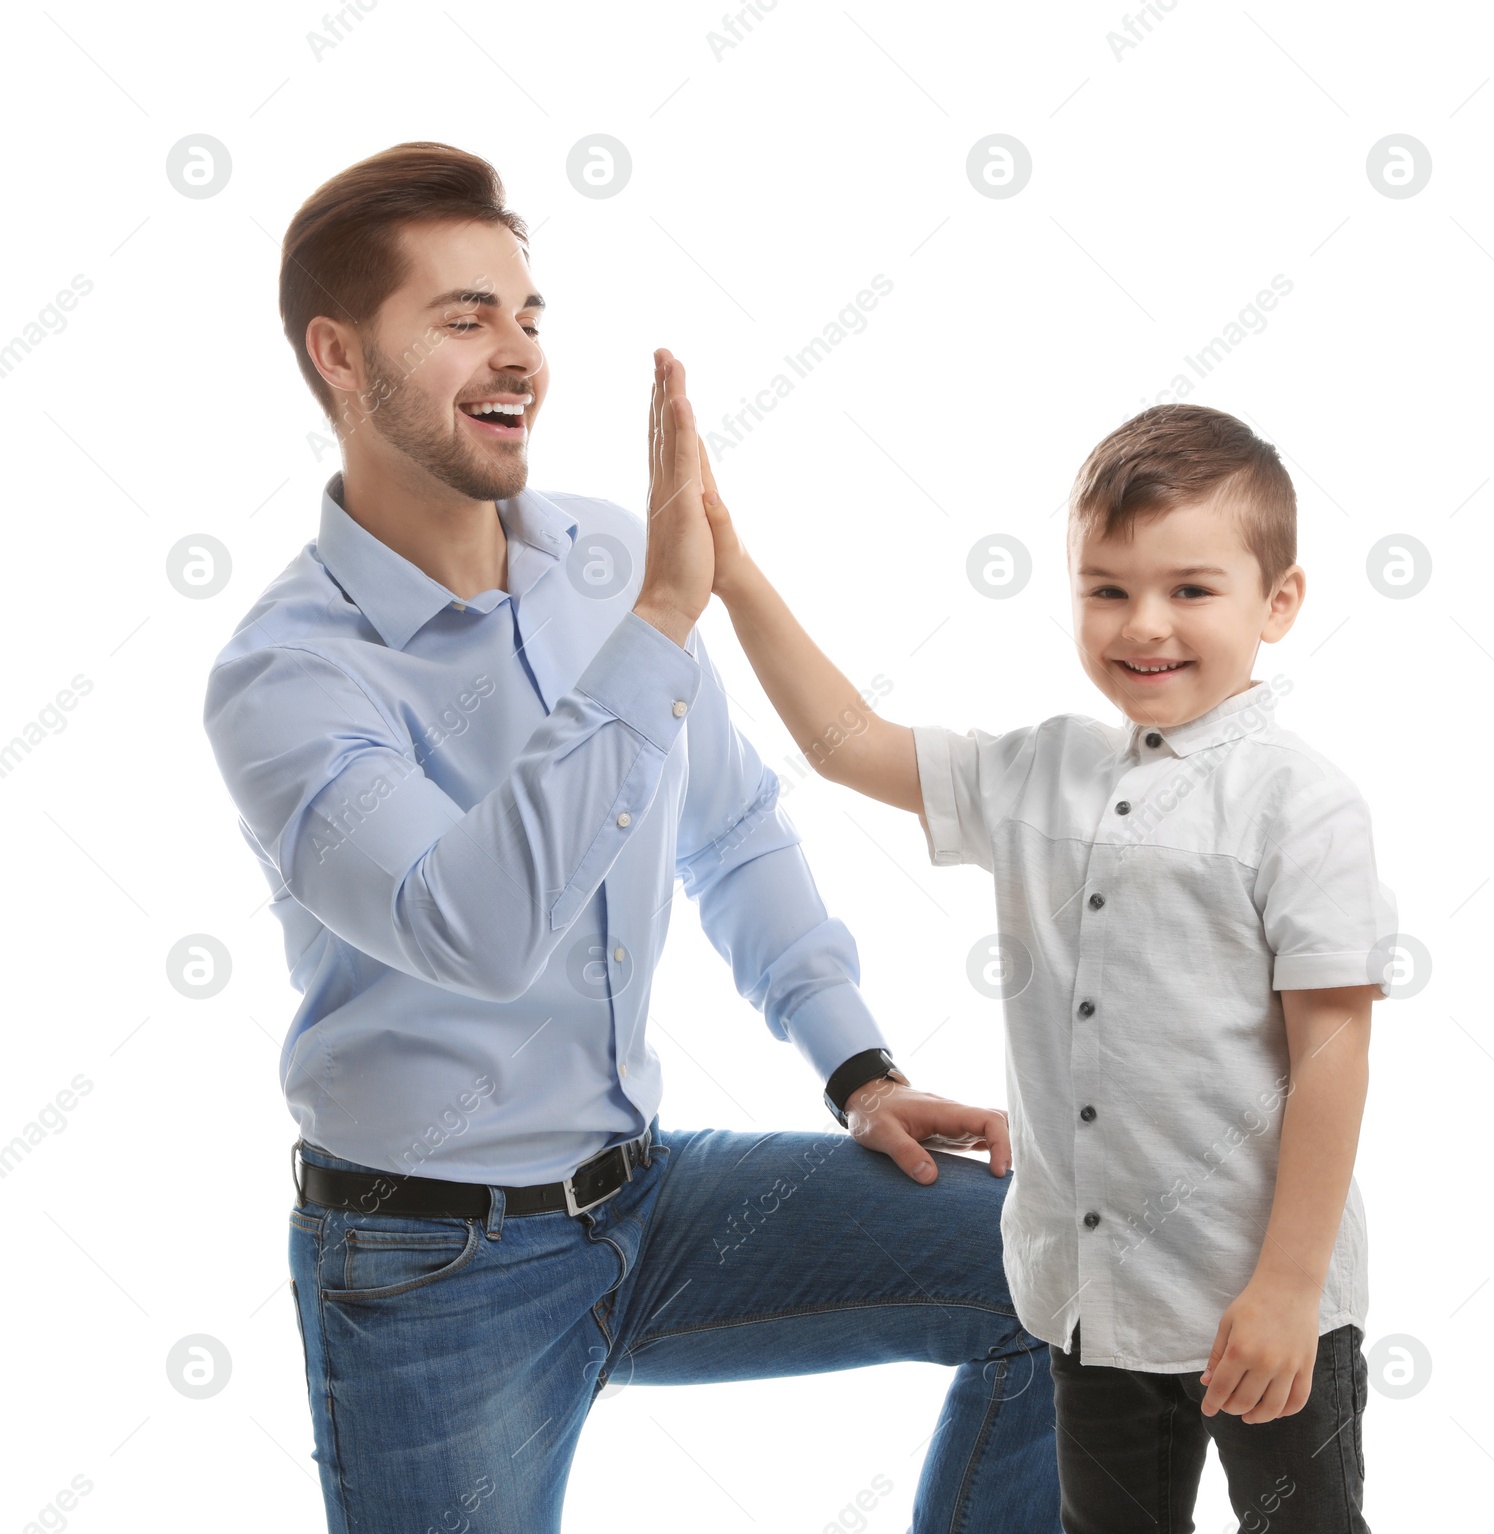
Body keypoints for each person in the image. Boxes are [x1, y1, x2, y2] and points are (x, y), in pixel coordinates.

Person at [200, 142, 1061, 1531]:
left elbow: (731, 831)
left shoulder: (604, 557)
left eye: (529, 315)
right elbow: (471, 926)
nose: (520, 353)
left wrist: (860, 1068)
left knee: (1061, 1279)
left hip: (647, 1201)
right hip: (430, 1259)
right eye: (464, 317)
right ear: (340, 357)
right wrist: (660, 621)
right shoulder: (289, 676)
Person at [696, 400, 1394, 1531]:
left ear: (1279, 603)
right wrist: (731, 575)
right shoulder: (1044, 771)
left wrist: (1288, 1288)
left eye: (1190, 589)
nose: (1143, 623)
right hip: (1093, 1310)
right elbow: (844, 744)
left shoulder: (1299, 801)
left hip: (1260, 1307)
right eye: (1106, 588)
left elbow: (1332, 1046)